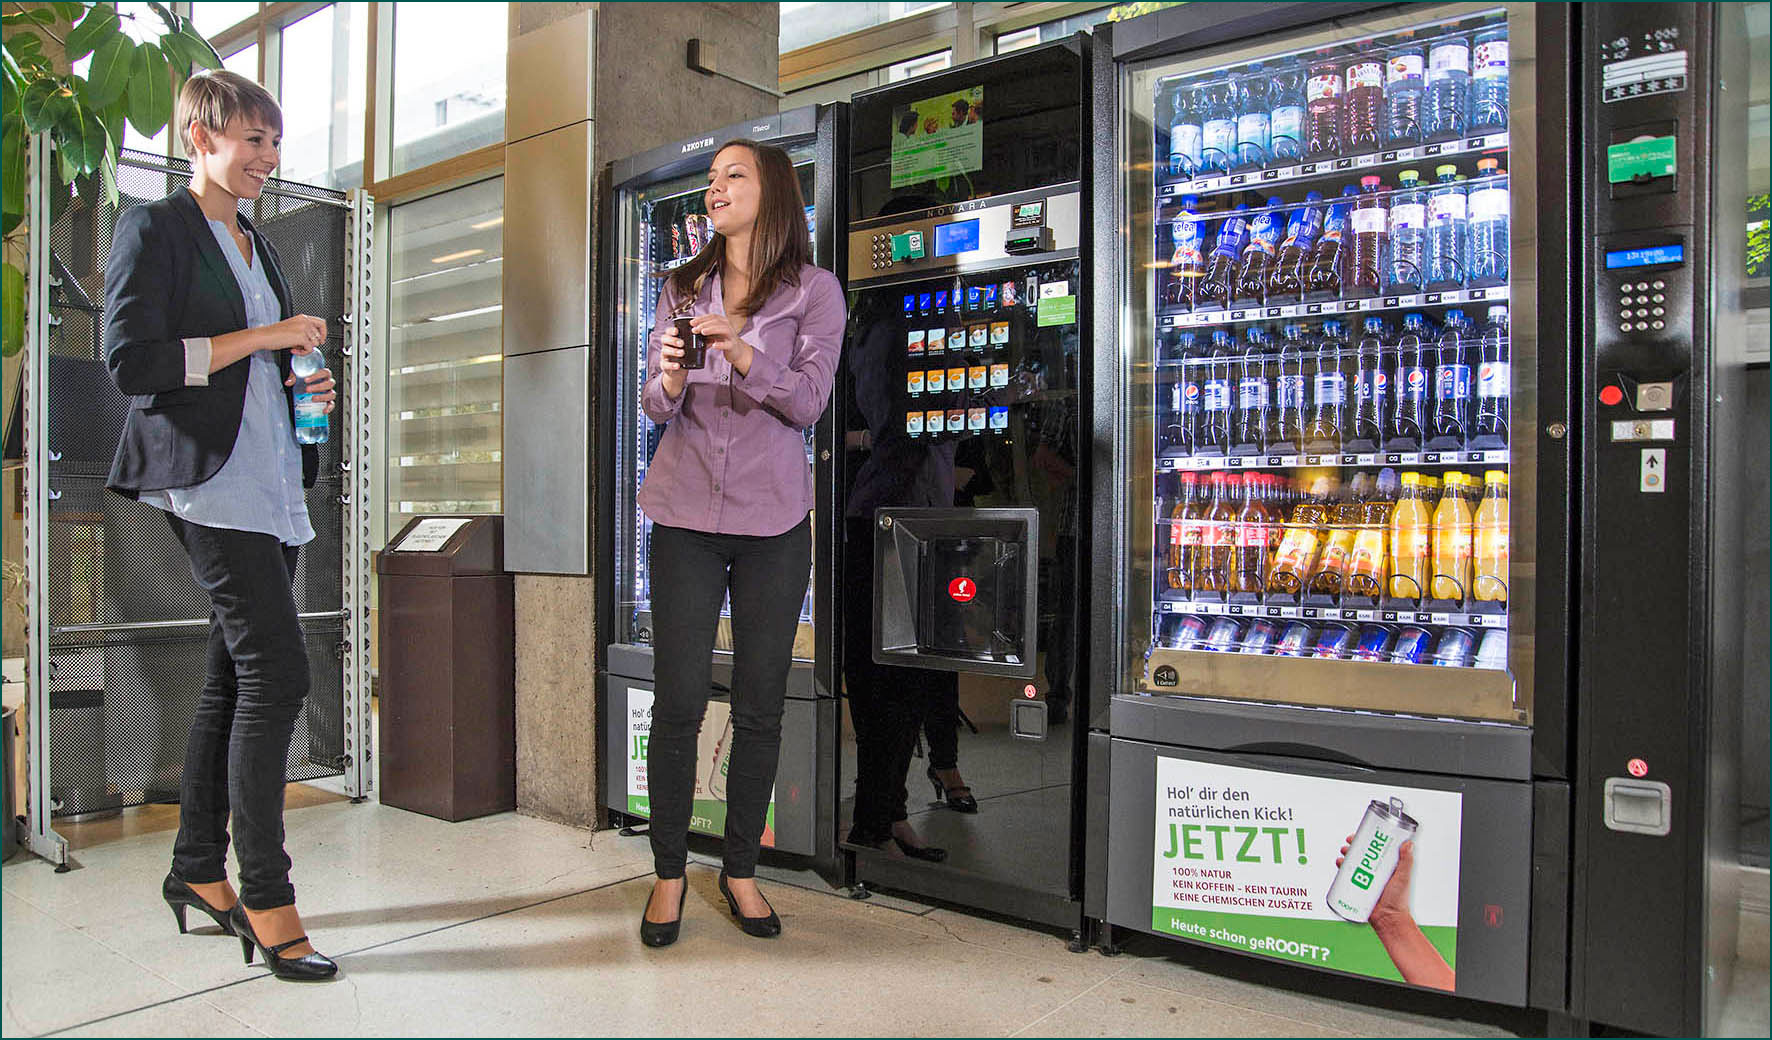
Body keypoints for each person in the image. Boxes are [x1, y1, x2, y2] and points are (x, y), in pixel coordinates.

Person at [103, 70, 338, 981]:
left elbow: (266, 365)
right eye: (253, 142)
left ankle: (197, 869)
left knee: (231, 680)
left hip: (272, 482)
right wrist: (263, 342)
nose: (268, 161)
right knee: (277, 675)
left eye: (274, 145)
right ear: (200, 138)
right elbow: (131, 361)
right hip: (209, 487)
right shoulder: (155, 228)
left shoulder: (255, 241)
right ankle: (268, 896)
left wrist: (300, 379)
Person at [636, 139, 844, 947]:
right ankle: (664, 876)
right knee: (679, 703)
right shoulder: (681, 286)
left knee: (760, 706)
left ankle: (741, 871)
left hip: (773, 525)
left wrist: (741, 348)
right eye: (711, 178)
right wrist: (673, 376)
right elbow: (657, 405)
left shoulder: (817, 292)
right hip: (684, 514)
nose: (716, 188)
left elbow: (809, 403)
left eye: (734, 175)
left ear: (774, 193)